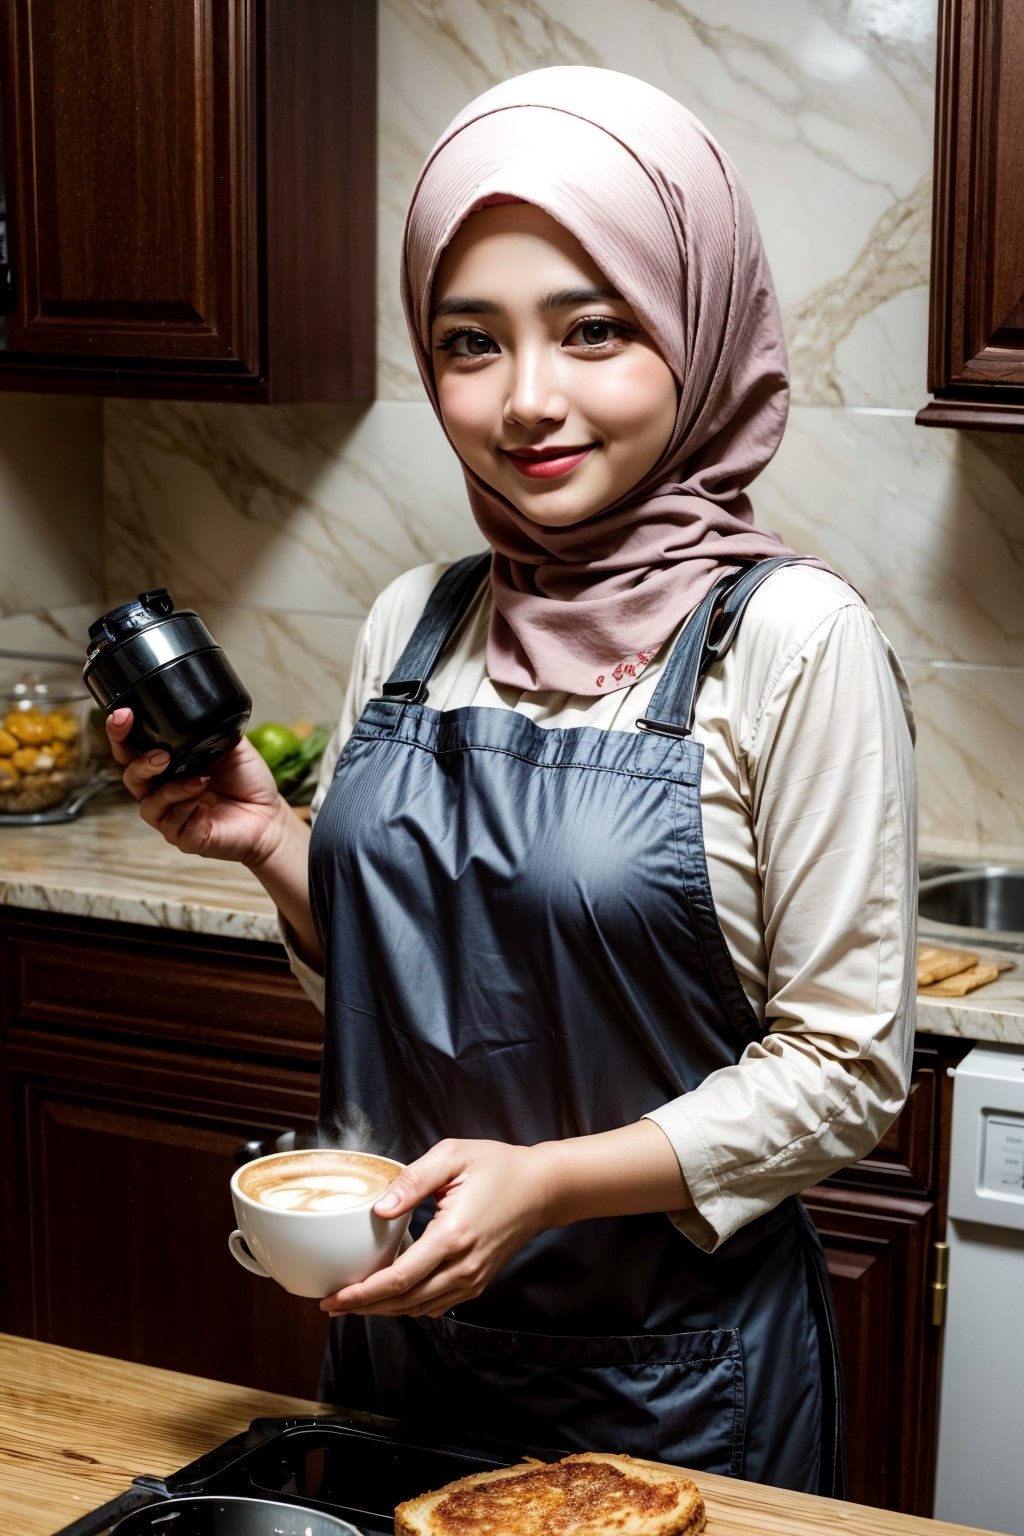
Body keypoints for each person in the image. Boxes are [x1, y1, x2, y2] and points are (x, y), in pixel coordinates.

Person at [108, 66, 917, 1497]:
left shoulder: (793, 638)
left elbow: (847, 1069)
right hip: (403, 1355)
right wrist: (273, 845)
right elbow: (420, 980)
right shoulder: (417, 623)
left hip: (677, 1385)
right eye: (469, 342)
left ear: (699, 325)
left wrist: (548, 1184)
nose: (526, 401)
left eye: (595, 330)